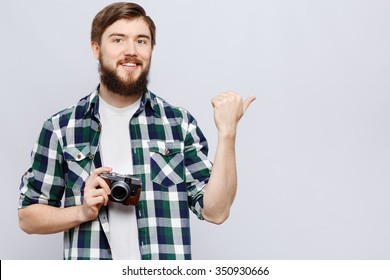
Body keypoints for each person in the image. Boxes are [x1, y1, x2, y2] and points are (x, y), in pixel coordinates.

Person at [18, 2, 255, 260]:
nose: (131, 51)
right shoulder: (61, 128)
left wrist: (227, 132)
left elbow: (216, 211)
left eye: (141, 41)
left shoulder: (179, 124)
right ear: (96, 48)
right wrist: (82, 211)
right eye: (118, 40)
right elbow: (28, 217)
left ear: (151, 49)